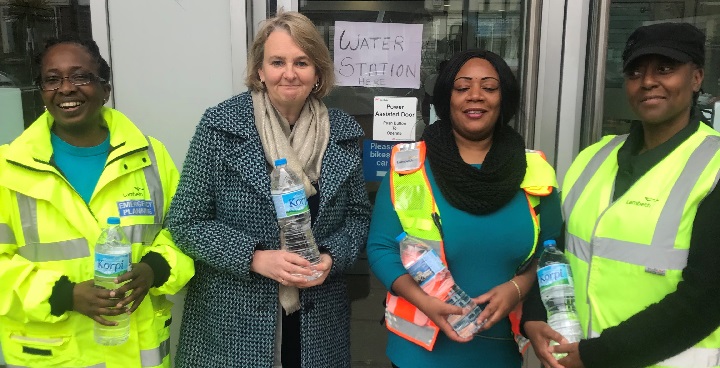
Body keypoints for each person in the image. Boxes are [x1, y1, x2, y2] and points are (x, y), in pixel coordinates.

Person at [167, 11, 371, 368]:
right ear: (259, 71)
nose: (289, 73)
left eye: (301, 62)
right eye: (277, 62)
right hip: (232, 325)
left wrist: (331, 257)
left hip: (318, 319)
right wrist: (255, 258)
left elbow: (357, 217)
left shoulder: (342, 132)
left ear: (317, 72)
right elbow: (185, 222)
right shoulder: (221, 126)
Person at [523, 22, 720, 368]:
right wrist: (534, 315)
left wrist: (595, 355)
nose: (647, 82)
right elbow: (555, 251)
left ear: (697, 77)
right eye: (635, 72)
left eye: (665, 69)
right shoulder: (593, 158)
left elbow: (705, 300)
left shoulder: (714, 167)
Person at [0, 36, 194, 367]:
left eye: (80, 76)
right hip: (52, 355)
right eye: (52, 79)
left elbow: (188, 231)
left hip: (137, 355)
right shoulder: (7, 168)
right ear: (42, 91)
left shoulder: (151, 157)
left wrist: (155, 268)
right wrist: (63, 294)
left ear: (105, 88)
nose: (66, 88)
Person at [366, 49, 563, 368]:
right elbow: (381, 247)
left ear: (503, 99)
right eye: (463, 87)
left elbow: (552, 250)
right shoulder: (410, 166)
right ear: (447, 98)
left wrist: (518, 288)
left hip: (499, 354)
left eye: (489, 87)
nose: (476, 96)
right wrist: (424, 302)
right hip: (417, 355)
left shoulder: (535, 170)